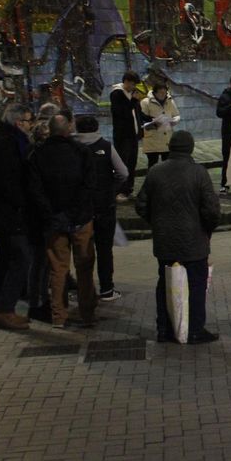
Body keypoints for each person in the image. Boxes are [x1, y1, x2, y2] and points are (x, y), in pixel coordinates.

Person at [135, 131, 222, 344]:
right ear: (191, 148)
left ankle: (164, 329)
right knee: (195, 285)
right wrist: (207, 229)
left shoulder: (155, 171)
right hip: (194, 240)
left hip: (165, 239)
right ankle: (194, 330)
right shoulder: (198, 173)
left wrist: (156, 222)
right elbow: (211, 209)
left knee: (164, 284)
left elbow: (141, 204)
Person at [28, 115, 98, 328]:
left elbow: (35, 190)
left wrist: (50, 213)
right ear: (68, 128)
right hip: (81, 218)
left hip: (53, 220)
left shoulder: (37, 155)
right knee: (84, 267)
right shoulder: (81, 152)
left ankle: (59, 315)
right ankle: (87, 314)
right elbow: (89, 185)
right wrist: (78, 212)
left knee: (58, 269)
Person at [0, 104, 35, 330]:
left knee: (4, 259)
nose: (31, 125)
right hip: (10, 212)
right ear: (18, 122)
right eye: (29, 120)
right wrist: (21, 203)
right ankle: (5, 309)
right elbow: (7, 180)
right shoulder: (8, 143)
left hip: (1, 211)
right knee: (21, 258)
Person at [73, 115, 128, 303]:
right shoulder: (105, 146)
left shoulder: (73, 148)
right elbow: (123, 172)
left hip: (81, 207)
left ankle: (84, 290)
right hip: (104, 204)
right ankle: (107, 288)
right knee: (105, 249)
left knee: (82, 250)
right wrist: (111, 188)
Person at [109, 71, 145, 201]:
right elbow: (120, 113)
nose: (133, 87)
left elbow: (137, 113)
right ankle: (120, 191)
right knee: (122, 163)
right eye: (132, 84)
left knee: (132, 162)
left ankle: (128, 189)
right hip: (122, 135)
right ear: (126, 81)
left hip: (133, 135)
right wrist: (133, 100)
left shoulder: (132, 94)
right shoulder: (116, 94)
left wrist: (142, 128)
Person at [139, 81, 179, 167]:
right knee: (153, 164)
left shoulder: (170, 101)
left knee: (167, 165)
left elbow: (176, 115)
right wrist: (153, 122)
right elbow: (141, 118)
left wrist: (174, 121)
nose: (163, 95)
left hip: (167, 138)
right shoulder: (146, 102)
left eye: (165, 92)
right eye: (161, 93)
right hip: (152, 138)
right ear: (155, 92)